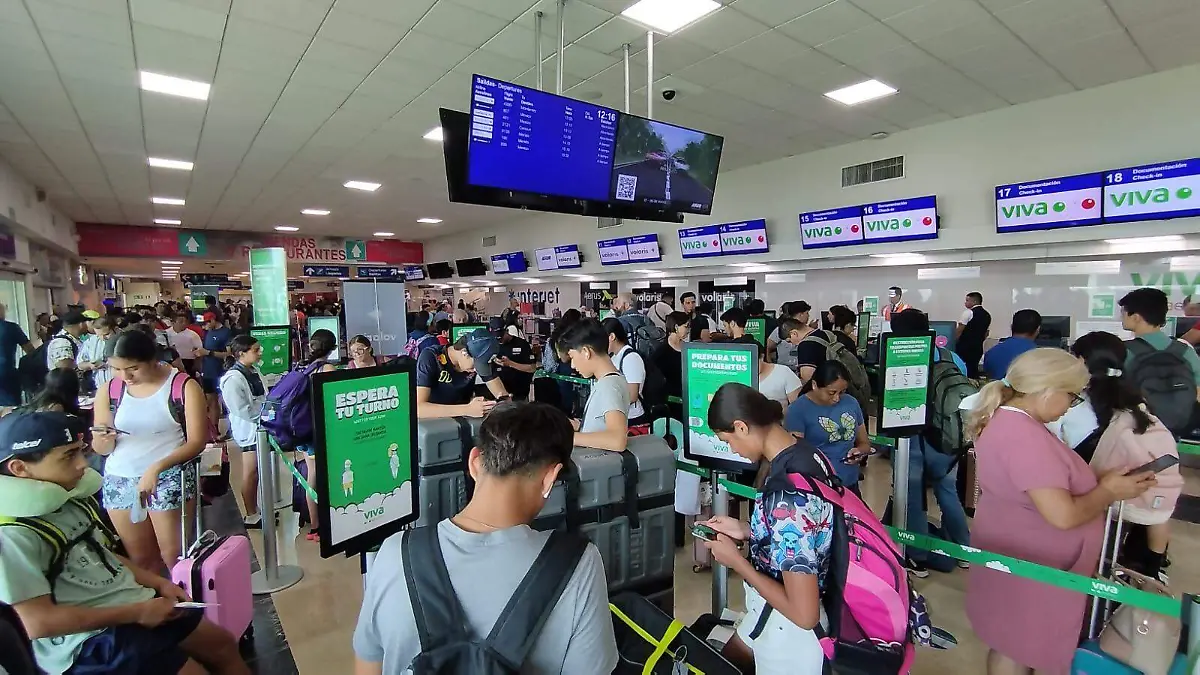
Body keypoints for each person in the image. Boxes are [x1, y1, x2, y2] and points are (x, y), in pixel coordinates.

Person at [352, 402, 618, 674]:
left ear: (475, 462)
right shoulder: (578, 565)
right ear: (550, 477)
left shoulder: (396, 552)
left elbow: (368, 665)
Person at [0, 411, 251, 675]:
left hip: (136, 603)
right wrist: (137, 612)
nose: (82, 464)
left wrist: (158, 583)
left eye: (80, 451)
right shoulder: (14, 535)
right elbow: (37, 622)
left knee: (221, 645)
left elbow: (101, 555)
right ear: (19, 468)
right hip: (91, 640)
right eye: (67, 456)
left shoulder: (67, 497)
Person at [964, 348, 1156, 675]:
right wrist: (1108, 492)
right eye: (1071, 396)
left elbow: (1038, 487)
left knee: (1011, 643)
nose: (1070, 405)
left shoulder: (1005, 419)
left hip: (1016, 548)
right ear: (1048, 391)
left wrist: (1095, 481)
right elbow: (1062, 515)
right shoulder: (1025, 437)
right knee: (1020, 646)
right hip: (1037, 563)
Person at [701, 384, 833, 674]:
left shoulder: (787, 494)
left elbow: (804, 614)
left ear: (741, 427)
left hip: (792, 640)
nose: (731, 449)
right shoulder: (807, 456)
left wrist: (736, 562)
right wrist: (749, 530)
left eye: (727, 440)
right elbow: (810, 533)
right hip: (780, 618)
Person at [1051, 331, 1181, 582]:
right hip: (1134, 508)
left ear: (1079, 361)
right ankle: (1152, 572)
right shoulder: (1138, 403)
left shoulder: (1069, 404)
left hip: (1087, 506)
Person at [91, 329, 208, 574]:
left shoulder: (183, 386)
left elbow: (197, 441)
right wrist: (102, 439)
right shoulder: (110, 391)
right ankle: (162, 607)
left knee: (174, 556)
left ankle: (186, 605)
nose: (125, 376)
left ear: (152, 359)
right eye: (116, 369)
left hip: (169, 477)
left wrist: (157, 467)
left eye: (132, 368)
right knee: (141, 560)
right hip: (120, 479)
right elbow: (102, 448)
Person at [888, 308, 971, 576]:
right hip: (946, 440)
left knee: (910, 495)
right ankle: (963, 550)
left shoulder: (898, 357)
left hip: (911, 437)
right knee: (947, 491)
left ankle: (917, 557)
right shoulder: (952, 358)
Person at [784, 361, 871, 493]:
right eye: (831, 393)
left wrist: (859, 452)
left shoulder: (851, 403)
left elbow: (864, 443)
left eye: (842, 392)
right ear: (814, 385)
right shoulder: (798, 410)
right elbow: (797, 456)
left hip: (850, 482)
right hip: (818, 486)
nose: (837, 398)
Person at [558, 319, 628, 452]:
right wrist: (580, 426)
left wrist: (568, 437)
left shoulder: (609, 385)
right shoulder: (609, 381)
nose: (572, 365)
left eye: (572, 357)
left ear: (586, 352)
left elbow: (617, 440)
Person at [219, 335, 266, 529]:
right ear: (241, 354)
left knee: (257, 472)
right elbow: (241, 410)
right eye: (255, 350)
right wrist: (264, 414)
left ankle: (255, 508)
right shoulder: (232, 379)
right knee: (250, 472)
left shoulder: (253, 370)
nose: (260, 352)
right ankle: (251, 514)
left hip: (261, 426)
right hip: (249, 430)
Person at [1120, 287, 1200, 398]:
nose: (1121, 318)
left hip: (1138, 414)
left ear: (1135, 317)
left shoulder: (1122, 351)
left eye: (1123, 313)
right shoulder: (1185, 350)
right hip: (1180, 414)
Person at [413, 329, 509, 419]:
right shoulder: (430, 357)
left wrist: (500, 403)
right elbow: (419, 409)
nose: (476, 370)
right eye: (476, 366)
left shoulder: (480, 357)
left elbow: (502, 396)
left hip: (463, 421)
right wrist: (467, 409)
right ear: (464, 352)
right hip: (433, 422)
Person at [601, 318, 648, 426]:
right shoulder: (614, 357)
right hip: (619, 415)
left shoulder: (631, 358)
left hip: (632, 418)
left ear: (612, 337)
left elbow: (632, 395)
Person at [982, 308, 1041, 381]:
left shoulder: (991, 353)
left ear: (1011, 326)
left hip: (997, 391)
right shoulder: (1040, 356)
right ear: (1038, 329)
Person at [195, 311, 232, 429]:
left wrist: (209, 353)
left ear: (212, 320)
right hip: (207, 371)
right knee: (211, 401)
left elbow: (229, 354)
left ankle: (230, 429)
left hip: (220, 371)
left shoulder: (225, 333)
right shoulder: (207, 333)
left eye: (205, 323)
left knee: (226, 402)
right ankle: (214, 429)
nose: (203, 326)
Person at [748, 336, 802, 408]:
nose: (749, 367)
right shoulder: (735, 375)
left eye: (752, 362)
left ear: (761, 357)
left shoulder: (783, 373)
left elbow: (799, 407)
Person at [653, 311, 688, 418]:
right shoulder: (660, 352)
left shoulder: (688, 349)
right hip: (668, 403)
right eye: (686, 326)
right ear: (676, 327)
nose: (688, 330)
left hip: (687, 400)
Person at [0, 302, 34, 406]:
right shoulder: (11, 328)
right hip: (7, 374)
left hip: (6, 375)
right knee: (11, 410)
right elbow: (31, 351)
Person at [493, 320, 536, 401]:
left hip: (520, 392)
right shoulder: (493, 344)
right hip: (500, 392)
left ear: (507, 331)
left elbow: (532, 368)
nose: (500, 341)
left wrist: (510, 364)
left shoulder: (522, 344)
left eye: (501, 338)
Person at [76, 316, 118, 393]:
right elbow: (80, 365)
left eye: (107, 334)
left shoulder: (123, 341)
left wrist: (108, 364)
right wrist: (90, 365)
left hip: (120, 386)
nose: (103, 338)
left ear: (115, 329)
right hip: (99, 387)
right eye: (99, 335)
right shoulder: (90, 342)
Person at [955, 291, 991, 378]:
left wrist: (954, 343)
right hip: (978, 347)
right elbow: (986, 333)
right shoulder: (987, 315)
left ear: (974, 302)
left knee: (962, 369)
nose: (965, 302)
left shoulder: (968, 313)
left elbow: (959, 330)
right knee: (973, 370)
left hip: (964, 347)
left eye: (967, 300)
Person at [165, 313, 203, 378]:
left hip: (188, 362)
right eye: (181, 321)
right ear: (173, 322)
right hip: (172, 362)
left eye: (185, 321)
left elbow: (199, 350)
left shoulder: (192, 335)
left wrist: (197, 365)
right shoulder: (166, 333)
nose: (184, 323)